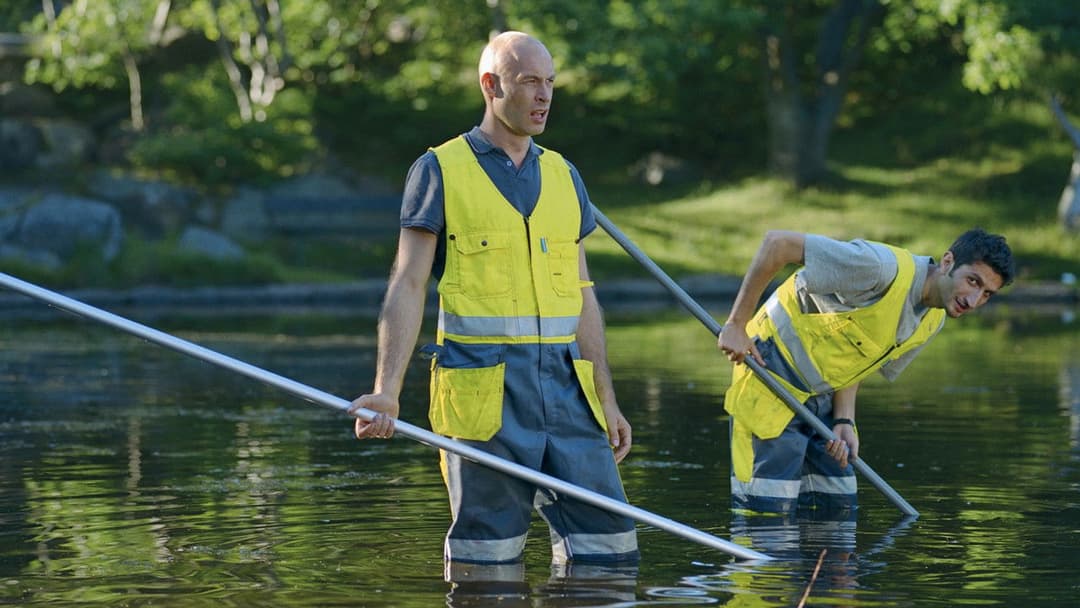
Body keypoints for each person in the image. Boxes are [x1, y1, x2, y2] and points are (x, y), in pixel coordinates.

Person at [347, 31, 639, 570]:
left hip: (570, 397)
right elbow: (406, 284)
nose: (544, 95)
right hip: (483, 396)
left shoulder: (564, 175)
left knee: (611, 550)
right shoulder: (438, 170)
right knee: (487, 561)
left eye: (550, 82)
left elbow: (583, 297)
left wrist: (606, 398)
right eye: (530, 81)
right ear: (491, 85)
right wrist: (387, 391)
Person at [717, 228, 1015, 514]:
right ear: (948, 262)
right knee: (768, 514)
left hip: (825, 397)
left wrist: (845, 418)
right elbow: (777, 243)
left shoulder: (932, 321)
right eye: (973, 281)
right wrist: (736, 324)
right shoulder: (878, 267)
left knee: (838, 506)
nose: (974, 301)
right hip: (770, 374)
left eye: (987, 294)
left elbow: (859, 354)